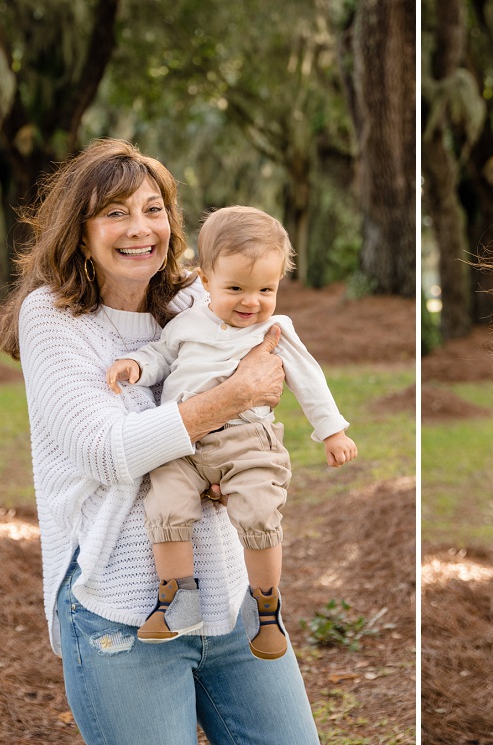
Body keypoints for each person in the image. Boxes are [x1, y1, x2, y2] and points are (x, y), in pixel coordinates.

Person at [0, 139, 320, 744]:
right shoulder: (52, 316)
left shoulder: (197, 301)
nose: (139, 227)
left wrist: (239, 453)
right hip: (118, 608)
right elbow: (107, 449)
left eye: (152, 209)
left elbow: (267, 386)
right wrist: (227, 400)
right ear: (81, 230)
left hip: (230, 598)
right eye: (115, 212)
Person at [105, 205, 358, 659]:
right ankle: (178, 600)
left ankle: (266, 605)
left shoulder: (275, 330)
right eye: (236, 288)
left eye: (266, 288)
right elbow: (161, 354)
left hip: (248, 440)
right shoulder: (185, 323)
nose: (252, 301)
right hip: (181, 446)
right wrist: (137, 366)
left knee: (259, 510)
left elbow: (308, 379)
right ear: (205, 281)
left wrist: (332, 431)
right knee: (164, 505)